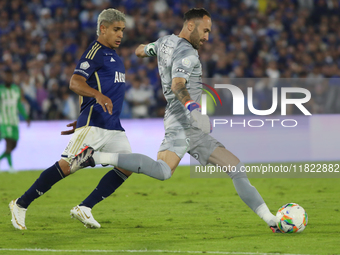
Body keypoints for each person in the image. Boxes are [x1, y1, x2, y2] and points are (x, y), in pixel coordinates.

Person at [71, 8, 280, 232]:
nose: (207, 37)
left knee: (235, 167)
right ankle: (95, 156)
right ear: (191, 26)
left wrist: (145, 51)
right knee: (163, 171)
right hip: (183, 120)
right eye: (205, 30)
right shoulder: (188, 53)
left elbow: (142, 50)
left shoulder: (164, 42)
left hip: (187, 124)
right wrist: (194, 110)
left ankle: (271, 220)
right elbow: (177, 84)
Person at [9, 8, 133, 230]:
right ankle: (20, 203)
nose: (120, 35)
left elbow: (88, 89)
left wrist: (83, 113)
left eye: (122, 30)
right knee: (67, 166)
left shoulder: (115, 56)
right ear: (102, 28)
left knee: (127, 166)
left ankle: (85, 207)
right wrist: (95, 99)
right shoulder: (94, 52)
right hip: (95, 127)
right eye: (116, 29)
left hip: (113, 127)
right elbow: (75, 83)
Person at [0, 68, 30, 172]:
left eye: (10, 76)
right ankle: (11, 167)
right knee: (9, 143)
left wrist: (26, 117)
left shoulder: (16, 89)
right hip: (4, 121)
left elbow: (19, 105)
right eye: (6, 76)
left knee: (14, 145)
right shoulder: (1, 90)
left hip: (14, 121)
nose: (8, 78)